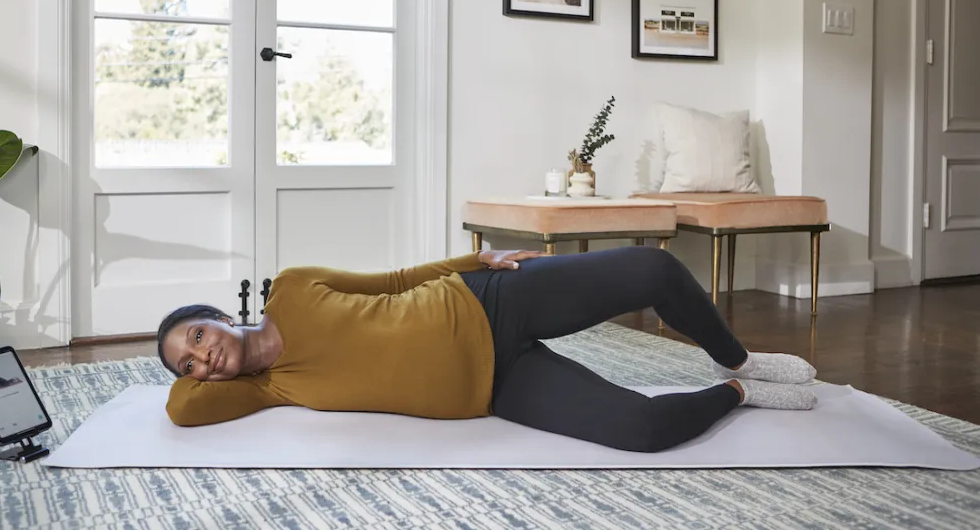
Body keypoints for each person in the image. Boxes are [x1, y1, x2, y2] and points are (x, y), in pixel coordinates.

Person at [157, 246, 818, 453]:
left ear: (219, 315)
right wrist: (194, 375)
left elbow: (394, 282)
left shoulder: (295, 289)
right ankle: (740, 394)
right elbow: (183, 411)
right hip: (499, 388)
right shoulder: (266, 387)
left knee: (654, 269)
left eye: (197, 337)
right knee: (643, 429)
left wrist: (478, 257)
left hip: (487, 299)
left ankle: (737, 360)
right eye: (187, 363)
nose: (201, 359)